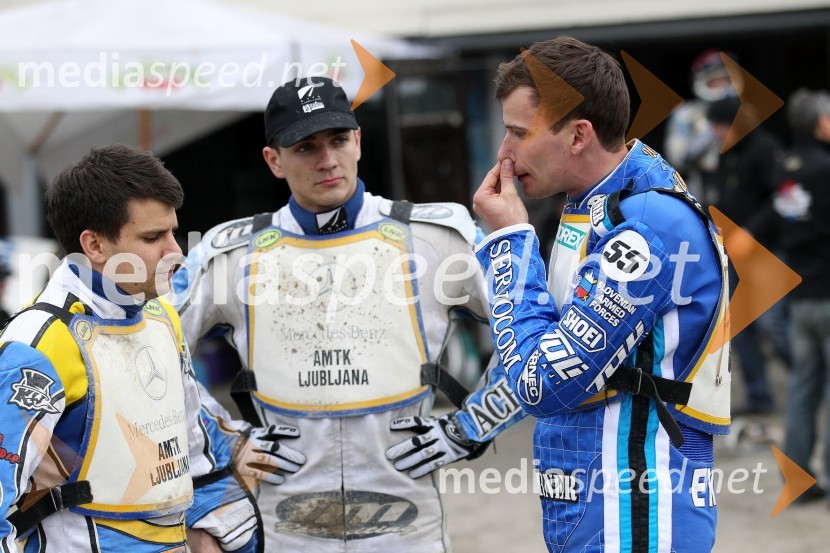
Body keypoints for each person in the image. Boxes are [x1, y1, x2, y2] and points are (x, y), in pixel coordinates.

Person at [171, 76, 526, 552]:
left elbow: (531, 333)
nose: (327, 159)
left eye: (338, 140)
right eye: (305, 147)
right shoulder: (230, 254)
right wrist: (226, 439)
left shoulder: (436, 236)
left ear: (358, 141)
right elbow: (150, 353)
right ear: (273, 160)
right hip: (287, 530)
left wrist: (470, 427)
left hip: (410, 530)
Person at [472, 37, 730, 552]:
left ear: (578, 135)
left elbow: (541, 382)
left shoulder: (650, 223)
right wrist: (461, 427)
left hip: (636, 510)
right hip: (594, 502)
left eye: (519, 133)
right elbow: (540, 338)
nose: (504, 152)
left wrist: (509, 243)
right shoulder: (595, 205)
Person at [0, 145, 261, 552]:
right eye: (153, 237)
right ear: (95, 245)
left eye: (173, 231)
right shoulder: (38, 344)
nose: (175, 251)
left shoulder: (161, 316)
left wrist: (221, 537)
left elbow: (196, 450)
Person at [705, 96, 790, 415]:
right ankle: (759, 398)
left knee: (772, 323)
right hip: (732, 253)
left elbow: (782, 197)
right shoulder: (724, 155)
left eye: (719, 125)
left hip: (766, 251)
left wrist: (752, 232)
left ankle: (809, 378)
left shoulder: (765, 149)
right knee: (737, 327)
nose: (714, 132)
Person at [776, 88, 830, 504]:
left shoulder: (787, 166)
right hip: (826, 292)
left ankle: (796, 478)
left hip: (799, 296)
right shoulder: (824, 167)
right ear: (819, 122)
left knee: (802, 387)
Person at [664, 49, 739, 203]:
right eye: (716, 80)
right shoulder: (686, 115)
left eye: (726, 80)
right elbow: (677, 158)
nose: (722, 86)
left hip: (739, 188)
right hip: (702, 190)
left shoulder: (743, 112)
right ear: (703, 81)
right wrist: (711, 132)